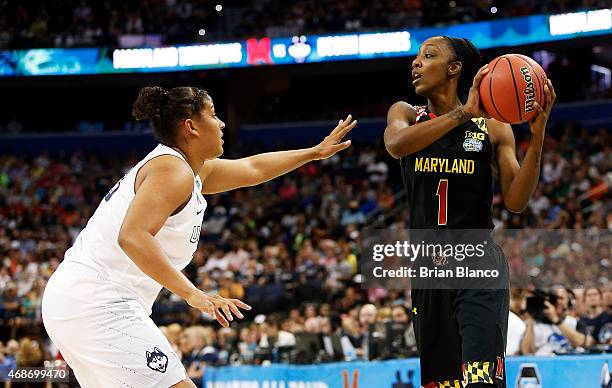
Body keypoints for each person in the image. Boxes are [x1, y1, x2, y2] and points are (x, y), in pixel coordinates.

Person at [42, 86, 356, 388]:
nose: (221, 123)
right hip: (96, 300)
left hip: (83, 299)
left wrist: (314, 153)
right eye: (214, 115)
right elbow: (134, 236)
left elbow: (252, 168)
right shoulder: (172, 171)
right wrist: (194, 294)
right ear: (191, 126)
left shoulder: (189, 170)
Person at [384, 36, 556, 387]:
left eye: (428, 56)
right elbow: (396, 145)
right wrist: (463, 113)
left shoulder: (492, 125)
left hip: (478, 263)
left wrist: (536, 138)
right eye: (416, 57)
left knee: (482, 381)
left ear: (454, 69)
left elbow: (516, 200)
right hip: (428, 269)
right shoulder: (405, 113)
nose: (416, 63)